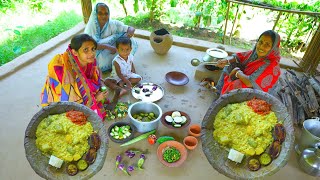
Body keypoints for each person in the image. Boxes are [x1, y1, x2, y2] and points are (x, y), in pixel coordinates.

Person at [40, 34, 119, 120]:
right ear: (75, 52)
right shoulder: (66, 72)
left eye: (93, 49)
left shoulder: (90, 60)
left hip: (79, 89)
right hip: (64, 96)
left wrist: (101, 84)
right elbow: (70, 104)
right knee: (81, 119)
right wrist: (95, 99)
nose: (92, 53)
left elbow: (96, 74)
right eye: (86, 50)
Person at [215, 30, 281, 95]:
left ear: (273, 48)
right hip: (247, 77)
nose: (261, 47)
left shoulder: (271, 65)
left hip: (258, 91)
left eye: (267, 44)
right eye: (260, 42)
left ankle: (225, 99)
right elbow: (239, 56)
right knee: (229, 65)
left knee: (238, 84)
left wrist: (237, 72)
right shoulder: (255, 53)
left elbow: (250, 82)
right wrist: (227, 61)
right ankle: (219, 91)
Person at [84, 2, 138, 72]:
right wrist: (109, 47)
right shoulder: (90, 27)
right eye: (100, 13)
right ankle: (111, 64)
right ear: (95, 14)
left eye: (106, 14)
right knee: (95, 61)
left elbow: (130, 29)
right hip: (95, 52)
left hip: (111, 49)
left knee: (128, 40)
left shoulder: (112, 24)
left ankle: (120, 62)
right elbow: (90, 45)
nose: (103, 16)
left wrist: (127, 36)